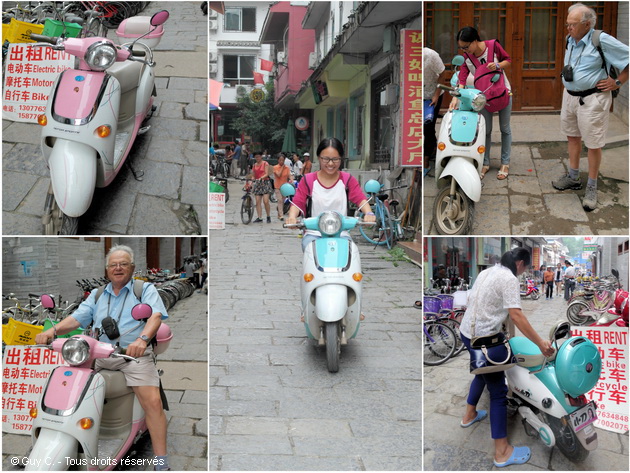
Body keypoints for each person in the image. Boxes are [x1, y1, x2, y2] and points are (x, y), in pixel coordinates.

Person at [34, 245, 171, 471]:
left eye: (123, 264)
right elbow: (77, 318)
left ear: (132, 268)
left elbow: (155, 315)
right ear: (107, 270)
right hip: (97, 353)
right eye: (113, 265)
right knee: (71, 389)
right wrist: (52, 331)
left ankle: (161, 461)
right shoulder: (98, 294)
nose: (118, 268)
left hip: (132, 355)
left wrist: (142, 339)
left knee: (153, 403)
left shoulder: (143, 289)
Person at [459, 248, 554, 468]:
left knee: (482, 373)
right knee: (499, 392)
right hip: (484, 339)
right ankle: (502, 452)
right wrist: (540, 343)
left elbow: (475, 299)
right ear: (520, 263)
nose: (524, 272)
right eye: (526, 267)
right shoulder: (509, 278)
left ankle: (469, 415)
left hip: (466, 333)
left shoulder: (487, 272)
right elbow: (516, 315)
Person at [552, 3, 629, 211]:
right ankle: (574, 176)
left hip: (593, 99)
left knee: (594, 143)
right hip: (569, 97)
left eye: (572, 25)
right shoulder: (571, 39)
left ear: (587, 24)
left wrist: (618, 82)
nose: (568, 28)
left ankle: (592, 187)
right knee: (572, 136)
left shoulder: (601, 39)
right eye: (567, 24)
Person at [286, 137, 376, 251]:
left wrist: (369, 213)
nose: (330, 163)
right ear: (319, 158)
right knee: (311, 252)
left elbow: (360, 199)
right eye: (326, 159)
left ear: (341, 159)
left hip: (341, 234)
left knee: (352, 253)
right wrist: (292, 218)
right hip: (314, 234)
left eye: (335, 159)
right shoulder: (308, 180)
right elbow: (297, 202)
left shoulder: (347, 180)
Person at [451, 26, 513, 180]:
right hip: (483, 98)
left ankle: (505, 163)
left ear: (475, 41)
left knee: (505, 129)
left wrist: (498, 65)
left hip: (503, 92)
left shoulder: (493, 46)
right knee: (486, 131)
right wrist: (455, 97)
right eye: (461, 48)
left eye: (466, 46)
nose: (465, 50)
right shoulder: (467, 58)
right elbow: (462, 80)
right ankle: (485, 163)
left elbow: (508, 60)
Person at [423, 47, 447, 174]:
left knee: (428, 127)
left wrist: (436, 95)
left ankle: (426, 161)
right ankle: (431, 148)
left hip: (433, 95)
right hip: (416, 96)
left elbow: (443, 74)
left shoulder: (431, 55)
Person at [250, 152, 272, 223]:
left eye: (258, 157)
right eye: (256, 157)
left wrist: (261, 178)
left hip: (265, 183)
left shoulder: (265, 163)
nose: (257, 158)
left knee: (266, 201)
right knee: (257, 201)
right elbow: (253, 174)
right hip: (257, 184)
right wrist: (253, 178)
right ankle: (259, 217)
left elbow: (267, 173)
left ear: (261, 157)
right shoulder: (254, 165)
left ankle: (268, 216)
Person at [273, 153, 292, 220]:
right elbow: (278, 175)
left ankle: (279, 213)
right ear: (278, 160)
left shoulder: (287, 168)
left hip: (284, 187)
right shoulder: (275, 167)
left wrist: (291, 179)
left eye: (283, 160)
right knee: (280, 200)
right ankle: (281, 215)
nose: (281, 161)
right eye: (280, 160)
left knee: (283, 200)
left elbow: (289, 175)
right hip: (277, 186)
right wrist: (282, 168)